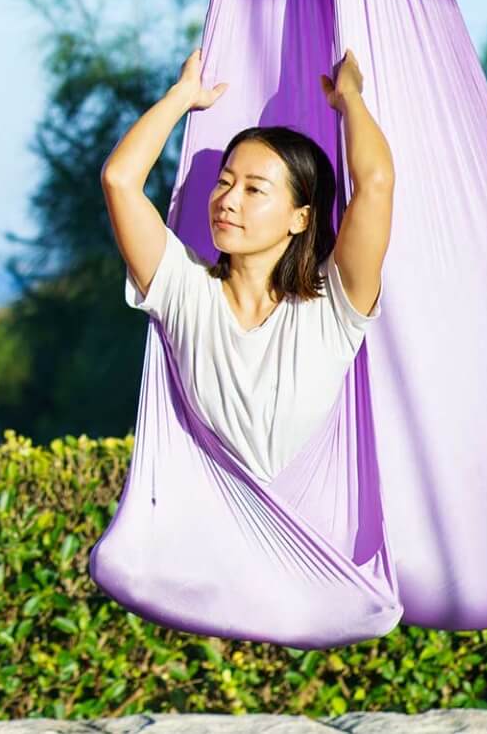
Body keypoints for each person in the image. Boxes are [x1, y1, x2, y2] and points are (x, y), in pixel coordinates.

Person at [100, 47, 394, 480]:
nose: (228, 200)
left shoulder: (334, 303)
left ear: (301, 217)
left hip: (308, 540)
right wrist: (182, 96)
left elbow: (376, 182)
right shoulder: (186, 292)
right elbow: (119, 180)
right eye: (224, 182)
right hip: (205, 534)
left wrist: (350, 96)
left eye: (254, 190)